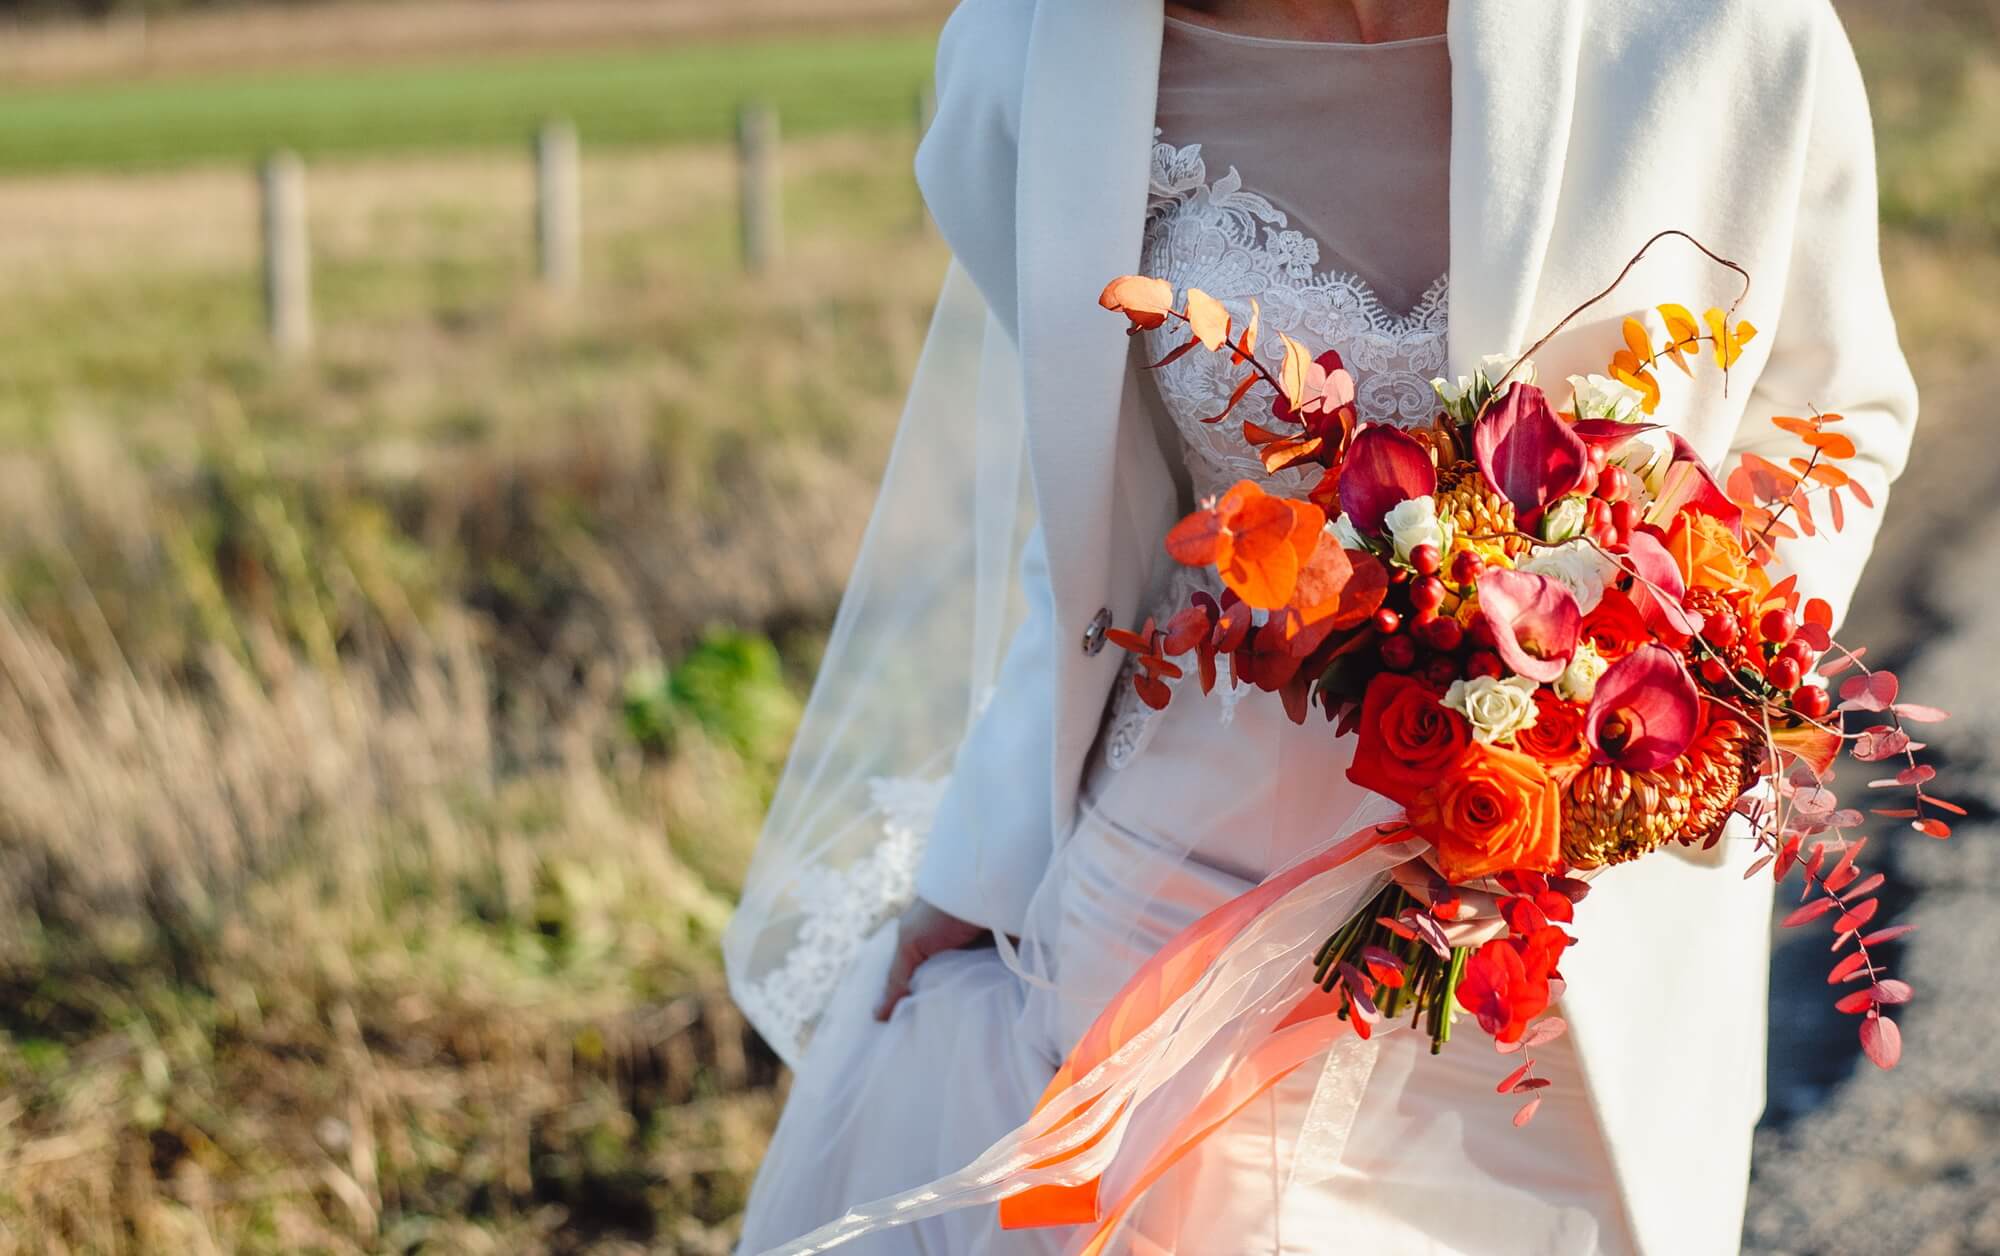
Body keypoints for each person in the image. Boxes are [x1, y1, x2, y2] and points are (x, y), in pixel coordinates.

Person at [726, 1, 1918, 1252]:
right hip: (1174, 898)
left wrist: (1667, 686)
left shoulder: (1723, 33)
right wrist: (978, 858)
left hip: (1564, 945)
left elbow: (1832, 402)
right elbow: (1092, 518)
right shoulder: (1025, 56)